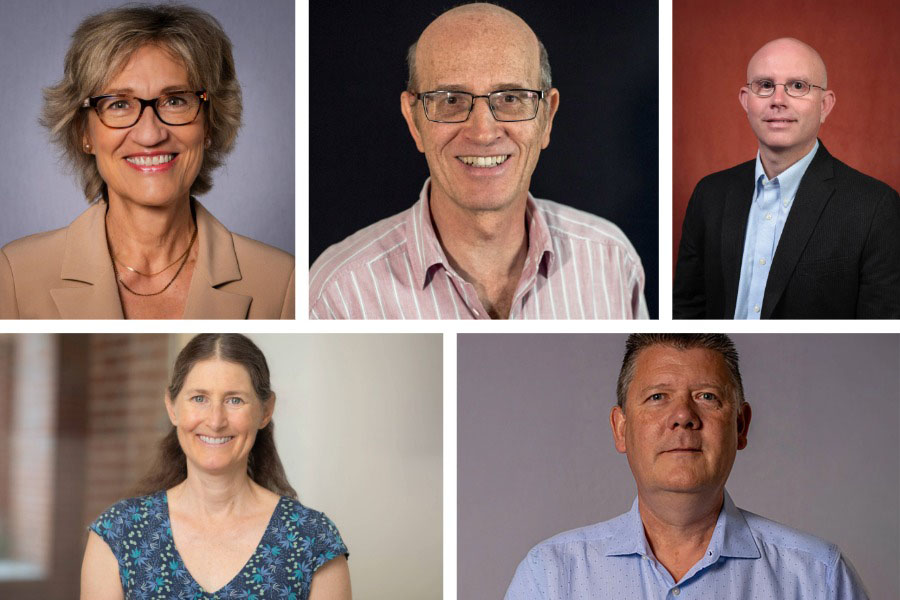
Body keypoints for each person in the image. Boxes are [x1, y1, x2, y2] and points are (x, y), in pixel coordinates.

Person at [309, 3, 647, 319]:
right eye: (451, 99)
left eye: (511, 98)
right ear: (414, 121)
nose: (483, 132)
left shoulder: (613, 261)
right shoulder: (337, 293)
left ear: (547, 117)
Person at [505, 333, 869, 599]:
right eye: (657, 397)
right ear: (621, 428)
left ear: (740, 426)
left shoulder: (819, 579)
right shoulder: (550, 577)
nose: (682, 416)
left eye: (706, 396)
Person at [0, 4, 294, 319]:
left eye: (175, 100)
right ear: (84, 132)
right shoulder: (15, 276)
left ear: (209, 124)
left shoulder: (280, 283)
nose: (150, 134)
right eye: (119, 104)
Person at [80, 334, 350, 599]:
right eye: (199, 398)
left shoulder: (312, 538)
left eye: (235, 400)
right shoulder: (119, 533)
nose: (216, 420)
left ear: (266, 411)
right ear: (172, 407)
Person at [673, 38, 900, 319]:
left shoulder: (874, 207)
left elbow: (881, 329)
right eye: (765, 85)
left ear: (825, 105)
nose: (778, 101)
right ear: (746, 100)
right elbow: (687, 312)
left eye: (797, 86)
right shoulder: (709, 195)